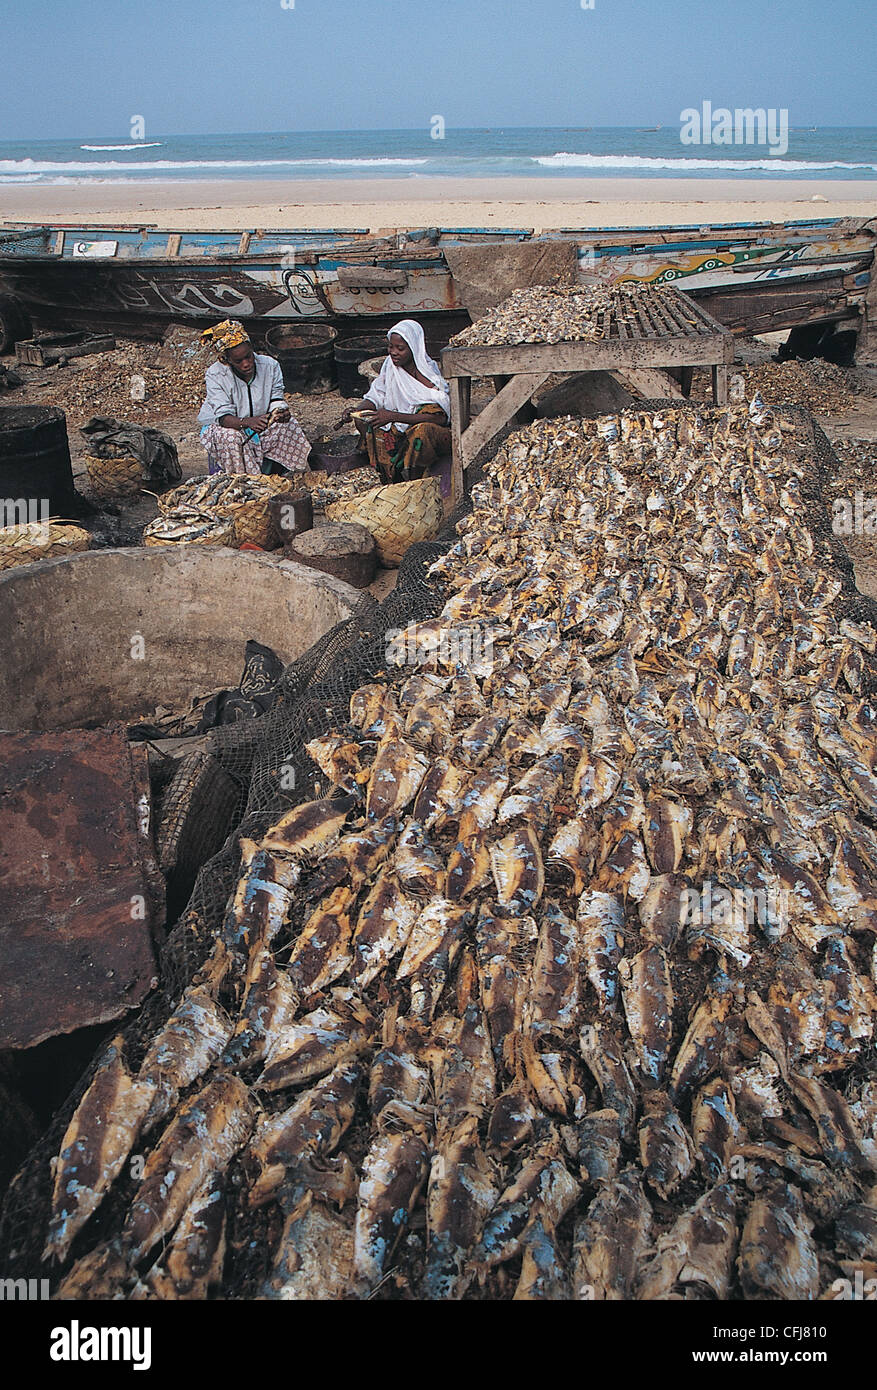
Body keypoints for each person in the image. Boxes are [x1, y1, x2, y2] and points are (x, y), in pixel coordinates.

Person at [339, 319, 451, 485]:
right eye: (391, 347)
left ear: (413, 349)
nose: (394, 352)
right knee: (365, 422)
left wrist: (394, 416)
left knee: (421, 433)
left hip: (430, 431)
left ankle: (411, 477)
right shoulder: (390, 367)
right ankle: (387, 473)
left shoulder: (428, 374)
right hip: (397, 427)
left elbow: (440, 418)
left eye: (400, 348)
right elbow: (376, 394)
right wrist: (357, 410)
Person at [197, 319, 311, 476]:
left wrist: (280, 411)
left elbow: (276, 398)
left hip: (259, 422)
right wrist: (247, 422)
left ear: (252, 350)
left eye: (248, 357)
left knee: (289, 424)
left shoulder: (270, 365)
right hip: (226, 426)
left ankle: (290, 474)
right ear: (226, 360)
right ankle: (246, 481)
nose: (246, 364)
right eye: (238, 361)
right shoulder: (216, 374)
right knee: (231, 437)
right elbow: (223, 418)